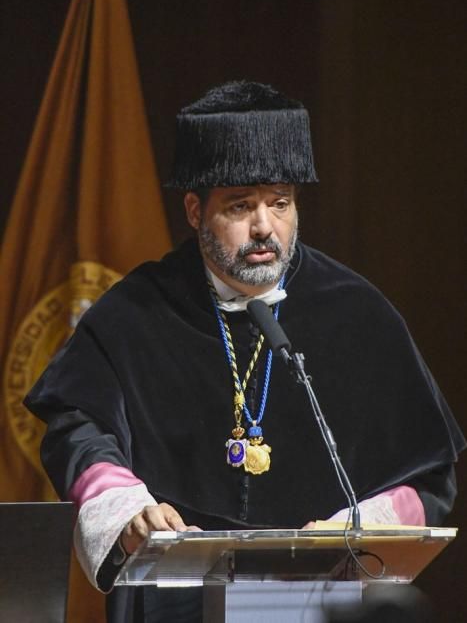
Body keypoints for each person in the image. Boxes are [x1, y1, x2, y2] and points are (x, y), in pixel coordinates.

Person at [25, 81, 465, 622]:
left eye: (279, 203)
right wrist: (127, 508)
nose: (264, 227)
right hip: (173, 601)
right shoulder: (136, 311)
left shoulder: (356, 310)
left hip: (320, 602)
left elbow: (428, 472)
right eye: (240, 206)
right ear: (194, 210)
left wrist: (354, 528)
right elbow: (76, 421)